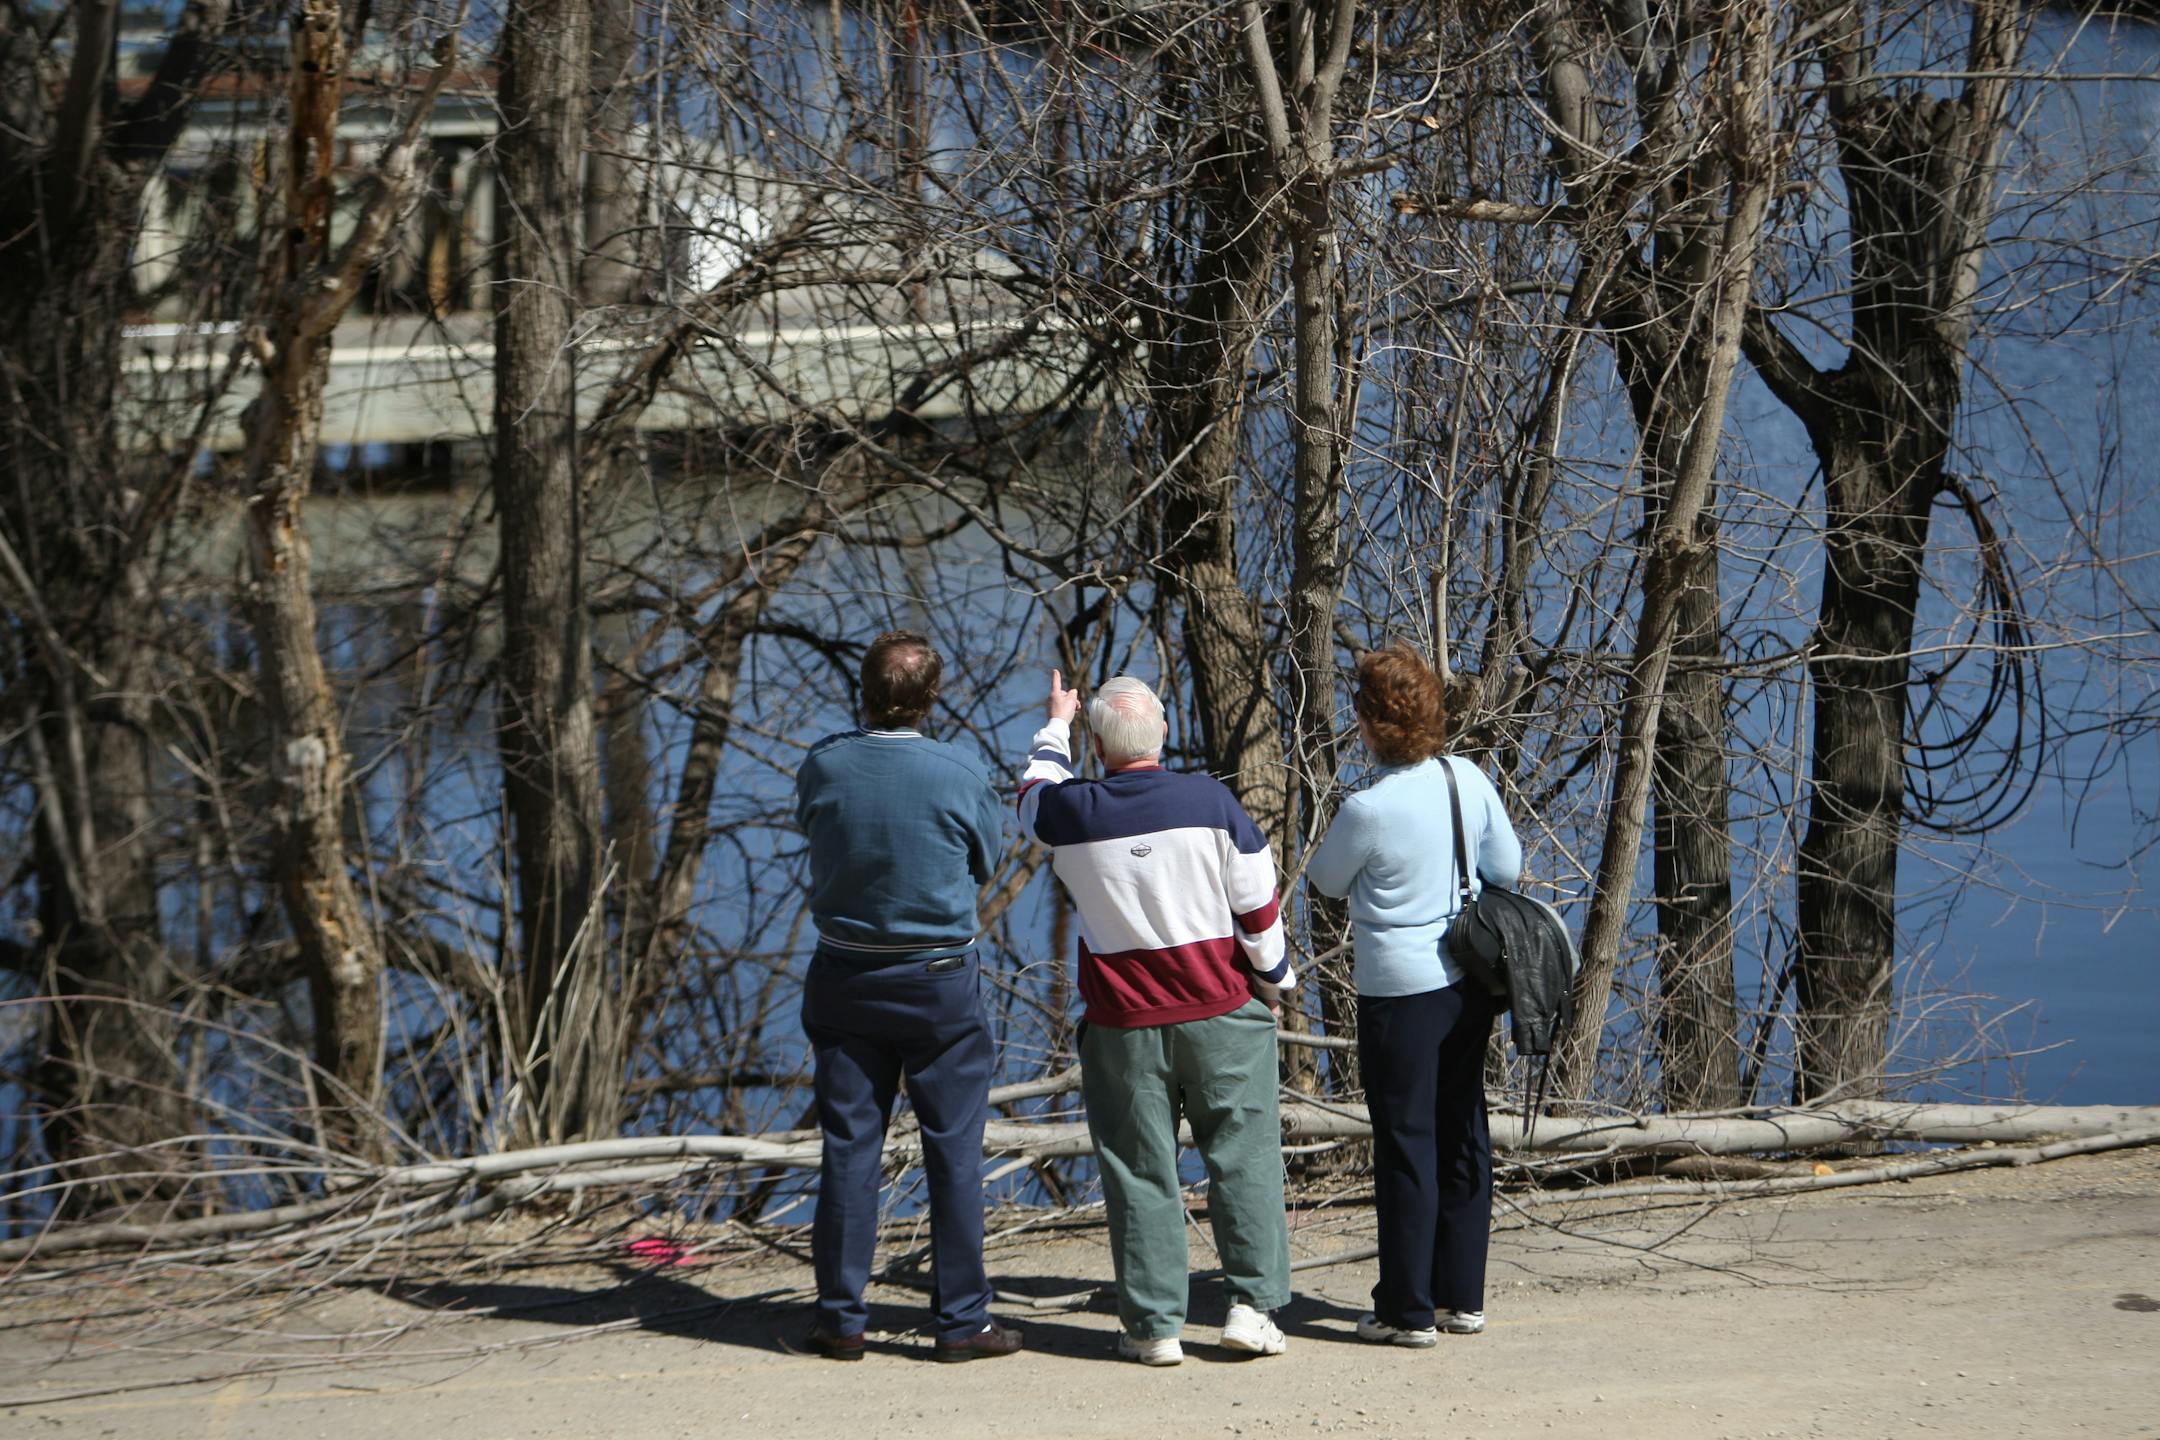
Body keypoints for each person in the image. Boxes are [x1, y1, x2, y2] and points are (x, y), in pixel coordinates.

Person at [1017, 670, 1295, 1366]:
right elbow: (1258, 908)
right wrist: (1276, 979)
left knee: (1139, 1169)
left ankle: (1153, 1326)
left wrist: (1056, 723)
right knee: (1245, 1158)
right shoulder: (1212, 800)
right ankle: (1250, 1309)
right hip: (1221, 1012)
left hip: (1122, 1024)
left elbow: (1030, 796)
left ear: (1099, 745)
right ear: (1163, 734)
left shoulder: (1072, 813)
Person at [792, 630, 1022, 1363]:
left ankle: (840, 1319)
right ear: (931, 698)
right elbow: (985, 861)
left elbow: (816, 833)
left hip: (846, 979)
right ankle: (960, 1323)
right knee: (953, 1152)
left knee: (849, 1149)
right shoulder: (959, 771)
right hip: (937, 986)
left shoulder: (824, 765)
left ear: (864, 692)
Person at [1307, 642, 1523, 1348]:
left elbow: (1326, 882)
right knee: (1463, 1130)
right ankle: (1463, 1296)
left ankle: (1407, 1308)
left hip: (1398, 992)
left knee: (1406, 1143)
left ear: (1370, 724)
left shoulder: (1367, 808)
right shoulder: (1466, 778)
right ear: (1431, 715)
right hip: (1467, 982)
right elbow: (1509, 868)